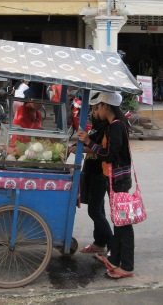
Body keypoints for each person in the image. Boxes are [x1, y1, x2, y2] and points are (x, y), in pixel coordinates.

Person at [77, 91, 134, 279]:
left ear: (107, 106)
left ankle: (126, 266)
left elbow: (109, 155)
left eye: (98, 106)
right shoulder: (112, 125)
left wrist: (89, 143)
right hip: (113, 179)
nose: (96, 110)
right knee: (118, 221)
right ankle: (115, 260)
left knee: (122, 224)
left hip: (119, 180)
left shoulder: (116, 126)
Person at [74, 92, 112, 255]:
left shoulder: (109, 126)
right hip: (90, 168)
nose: (94, 112)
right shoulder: (97, 124)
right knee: (98, 208)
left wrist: (84, 144)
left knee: (94, 210)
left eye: (97, 109)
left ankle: (113, 244)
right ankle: (100, 242)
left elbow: (103, 151)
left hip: (100, 172)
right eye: (93, 109)